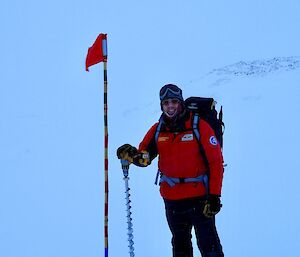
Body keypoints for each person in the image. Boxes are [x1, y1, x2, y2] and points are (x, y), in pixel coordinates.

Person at [117, 84, 224, 257]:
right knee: (180, 247)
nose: (170, 106)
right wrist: (132, 155)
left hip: (200, 200)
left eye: (174, 101)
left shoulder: (199, 126)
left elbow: (216, 162)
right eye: (166, 103)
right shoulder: (158, 129)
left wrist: (214, 196)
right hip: (173, 201)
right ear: (161, 105)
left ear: (180, 103)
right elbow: (145, 157)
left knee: (209, 245)